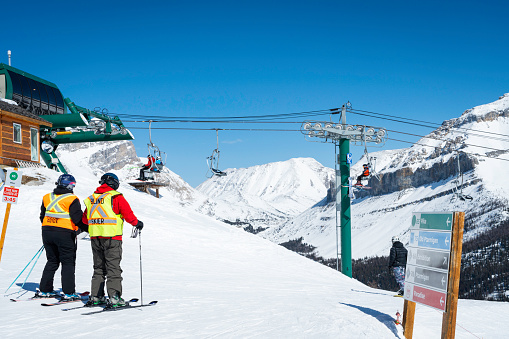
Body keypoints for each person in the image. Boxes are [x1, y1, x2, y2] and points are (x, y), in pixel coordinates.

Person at [82, 172, 144, 308]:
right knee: (113, 268)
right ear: (115, 184)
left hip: (95, 238)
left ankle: (96, 296)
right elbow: (128, 214)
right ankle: (114, 298)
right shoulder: (116, 197)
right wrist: (137, 223)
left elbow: (84, 219)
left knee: (98, 268)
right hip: (112, 238)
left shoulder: (92, 199)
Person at [38, 174, 88, 300]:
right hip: (65, 234)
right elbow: (78, 219)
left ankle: (45, 290)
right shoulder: (72, 199)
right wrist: (87, 229)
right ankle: (69, 293)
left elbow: (42, 216)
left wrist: (51, 227)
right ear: (69, 185)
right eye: (73, 185)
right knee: (68, 262)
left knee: (52, 261)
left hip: (47, 232)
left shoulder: (47, 197)